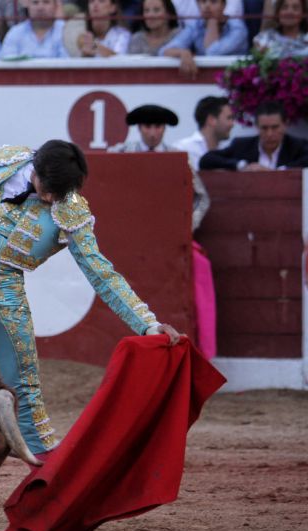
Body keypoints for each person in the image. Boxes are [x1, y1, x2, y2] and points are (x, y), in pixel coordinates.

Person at [0, 140, 181, 531]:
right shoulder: (5, 164)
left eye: (59, 193)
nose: (50, 197)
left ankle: (59, 509)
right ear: (34, 167)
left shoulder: (70, 211)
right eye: (47, 187)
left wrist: (147, 323)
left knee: (27, 403)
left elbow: (101, 272)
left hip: (2, 301)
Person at [109, 104, 215, 357]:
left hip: (168, 241)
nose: (153, 133)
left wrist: (184, 227)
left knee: (199, 269)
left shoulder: (179, 158)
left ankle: (200, 351)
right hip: (129, 240)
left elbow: (202, 198)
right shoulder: (120, 153)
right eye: (148, 126)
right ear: (139, 128)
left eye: (158, 127)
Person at [199, 101, 308, 171]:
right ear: (256, 127)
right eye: (264, 128)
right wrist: (242, 166)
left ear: (285, 125)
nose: (269, 134)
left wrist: (282, 171)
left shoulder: (297, 146)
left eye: (275, 127)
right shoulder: (242, 146)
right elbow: (206, 160)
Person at [160, 0, 248, 78]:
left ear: (223, 5)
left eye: (213, 1)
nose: (207, 6)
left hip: (234, 78)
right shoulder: (195, 25)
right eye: (203, 1)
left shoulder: (237, 28)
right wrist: (183, 53)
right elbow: (163, 50)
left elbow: (211, 52)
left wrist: (212, 22)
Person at [174, 95, 234, 167]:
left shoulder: (228, 150)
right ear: (211, 120)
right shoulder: (182, 149)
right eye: (229, 118)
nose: (232, 124)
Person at [0, 0, 68, 59]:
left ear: (55, 6)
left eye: (46, 2)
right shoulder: (15, 33)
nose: (40, 8)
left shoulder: (66, 31)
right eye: (35, 2)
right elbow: (6, 62)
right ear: (28, 6)